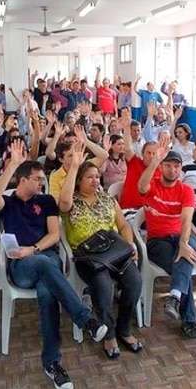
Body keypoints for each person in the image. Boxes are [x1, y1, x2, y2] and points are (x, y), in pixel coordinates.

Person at [0, 140, 108, 389]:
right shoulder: (8, 204)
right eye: (37, 178)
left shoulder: (46, 202)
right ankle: (85, 319)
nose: (42, 183)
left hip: (44, 258)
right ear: (22, 180)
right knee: (43, 265)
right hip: (20, 266)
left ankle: (52, 364)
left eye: (43, 179)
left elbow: (54, 235)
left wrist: (33, 249)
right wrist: (13, 165)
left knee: (47, 293)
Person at [60, 144, 143, 359]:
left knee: (134, 282)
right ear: (78, 180)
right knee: (103, 287)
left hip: (115, 252)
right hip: (89, 257)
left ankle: (124, 329)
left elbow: (124, 225)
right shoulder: (72, 202)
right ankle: (109, 334)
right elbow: (65, 201)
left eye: (97, 176)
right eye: (89, 177)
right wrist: (74, 167)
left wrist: (130, 245)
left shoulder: (107, 198)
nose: (95, 180)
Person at [137, 135, 196, 338]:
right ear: (162, 167)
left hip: (181, 236)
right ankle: (187, 316)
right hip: (158, 240)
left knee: (185, 254)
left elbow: (186, 220)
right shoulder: (153, 185)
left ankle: (175, 298)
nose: (172, 170)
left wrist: (183, 243)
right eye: (168, 165)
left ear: (180, 170)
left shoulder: (186, 190)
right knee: (182, 265)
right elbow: (141, 186)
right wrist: (155, 159)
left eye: (176, 166)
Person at [48, 125, 108, 202]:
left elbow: (104, 155)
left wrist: (86, 141)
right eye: (70, 156)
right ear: (61, 159)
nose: (74, 158)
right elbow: (56, 201)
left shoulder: (84, 165)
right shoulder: (55, 177)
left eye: (75, 154)